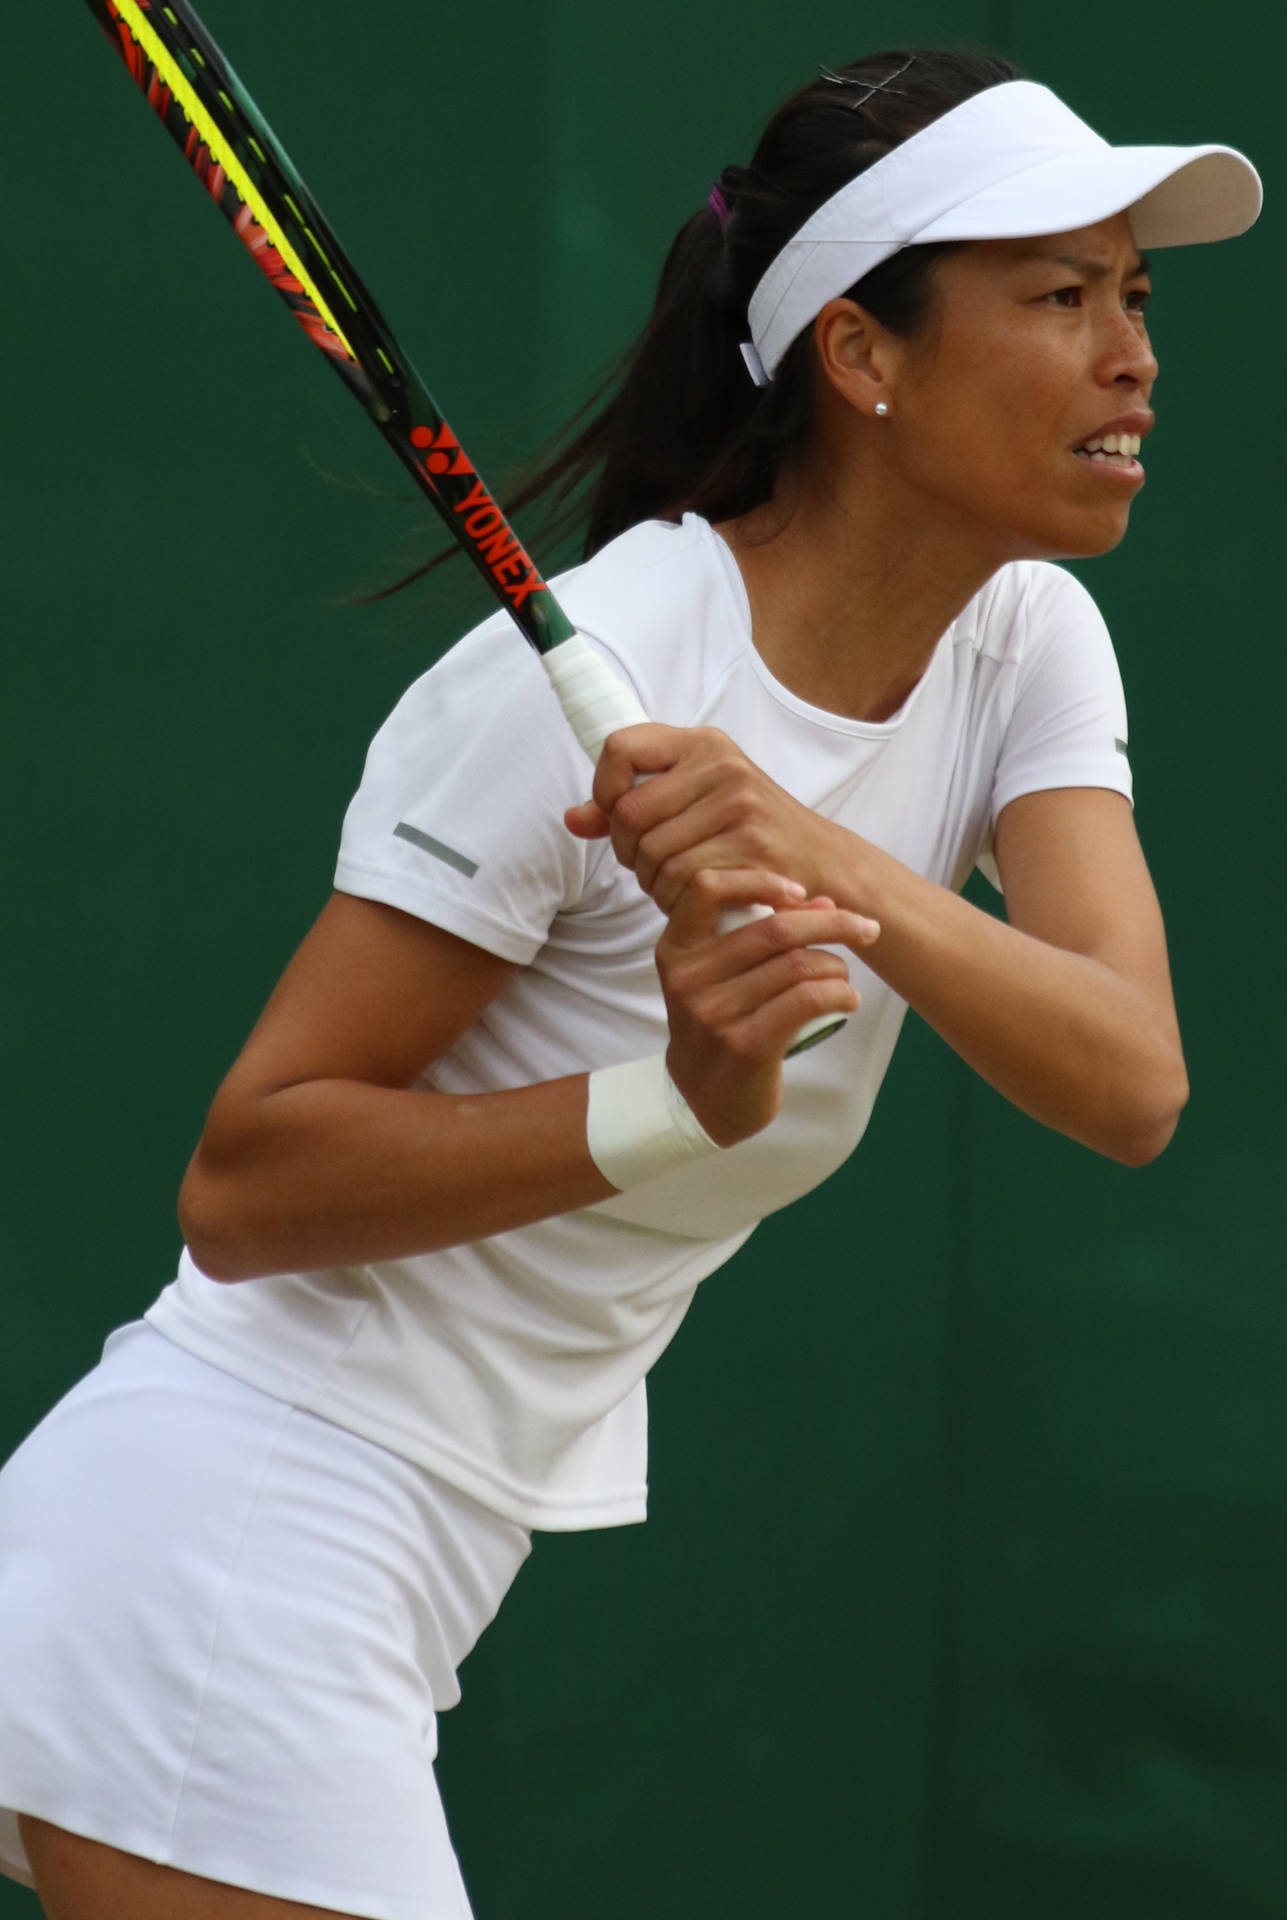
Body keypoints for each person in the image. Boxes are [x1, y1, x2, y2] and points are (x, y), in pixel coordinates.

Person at [0, 46, 1262, 1920]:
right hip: (231, 1545)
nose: (1133, 354)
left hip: (386, 1573)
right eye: (1060, 296)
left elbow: (1129, 1077)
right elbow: (247, 1185)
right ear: (862, 354)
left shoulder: (1024, 643)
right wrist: (672, 1106)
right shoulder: (598, 672)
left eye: (1134, 296)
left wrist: (833, 867)